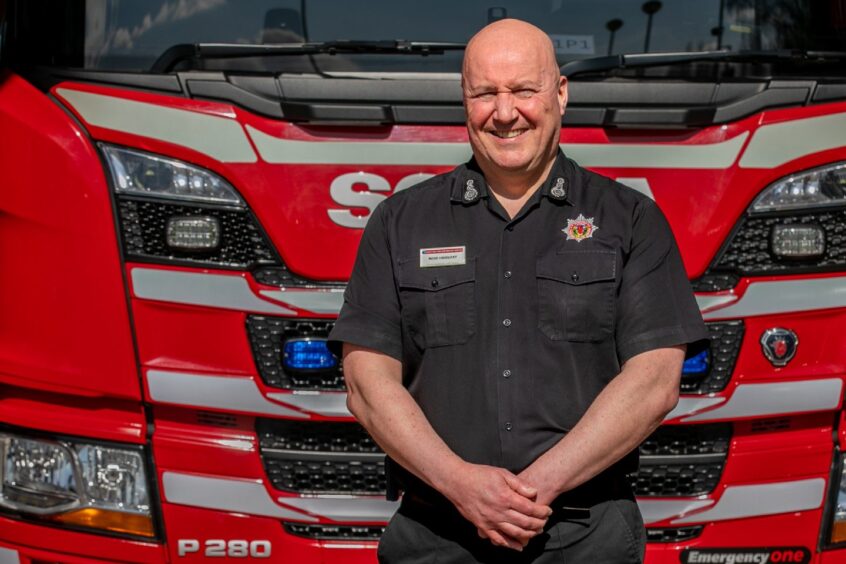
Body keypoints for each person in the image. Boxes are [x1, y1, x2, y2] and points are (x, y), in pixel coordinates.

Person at [328, 18, 708, 564]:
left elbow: (654, 382)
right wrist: (461, 484)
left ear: (560, 93)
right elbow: (366, 383)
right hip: (437, 534)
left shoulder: (631, 219)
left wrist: (530, 492)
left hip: (586, 537)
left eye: (523, 90)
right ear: (464, 100)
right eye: (485, 93)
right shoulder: (398, 221)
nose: (505, 113)